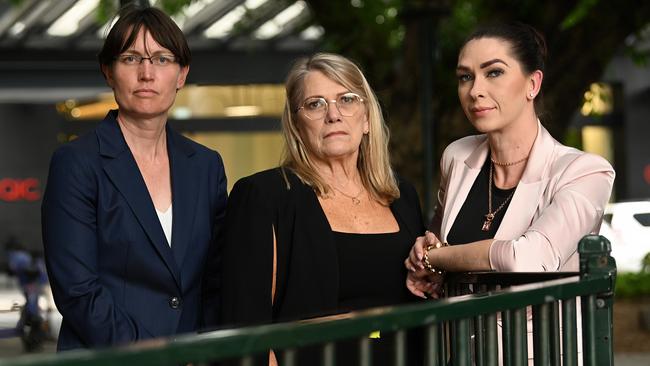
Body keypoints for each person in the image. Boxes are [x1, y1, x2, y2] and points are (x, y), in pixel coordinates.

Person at [404, 22, 615, 363]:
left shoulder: (584, 171)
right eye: (465, 77)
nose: (475, 90)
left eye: (494, 73)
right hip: (455, 353)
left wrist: (437, 258)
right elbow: (439, 242)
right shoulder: (457, 157)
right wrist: (424, 255)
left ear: (533, 84)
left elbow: (527, 259)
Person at [219, 53, 424, 365]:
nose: (334, 115)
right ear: (297, 124)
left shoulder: (402, 196)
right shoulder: (265, 196)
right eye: (315, 104)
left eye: (347, 99)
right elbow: (245, 329)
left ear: (367, 118)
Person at [41, 5, 227, 351]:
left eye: (161, 59)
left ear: (181, 74)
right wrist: (158, 355)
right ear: (108, 72)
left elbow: (215, 280)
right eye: (130, 58)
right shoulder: (76, 163)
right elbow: (78, 291)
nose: (146, 73)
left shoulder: (206, 166)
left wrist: (201, 351)